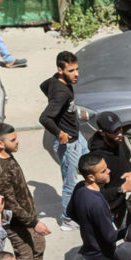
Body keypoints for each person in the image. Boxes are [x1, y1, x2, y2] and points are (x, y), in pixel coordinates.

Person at [0, 123, 51, 260]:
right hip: (16, 222)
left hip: (27, 217)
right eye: (13, 139)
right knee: (25, 255)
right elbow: (10, 203)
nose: (17, 142)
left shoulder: (7, 156)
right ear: (0, 143)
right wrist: (34, 222)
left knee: (38, 245)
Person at [39, 51, 85, 231]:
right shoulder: (61, 93)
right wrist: (59, 132)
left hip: (77, 135)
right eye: (71, 70)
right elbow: (44, 118)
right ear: (60, 70)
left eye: (77, 69)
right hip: (69, 142)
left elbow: (43, 86)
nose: (76, 74)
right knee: (70, 182)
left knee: (89, 160)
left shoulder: (55, 80)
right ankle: (66, 219)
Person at [87, 111, 131, 226]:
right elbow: (97, 193)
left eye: (120, 129)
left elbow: (125, 161)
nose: (120, 134)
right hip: (110, 209)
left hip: (124, 201)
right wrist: (121, 189)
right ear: (102, 133)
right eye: (114, 132)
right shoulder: (97, 158)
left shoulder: (118, 141)